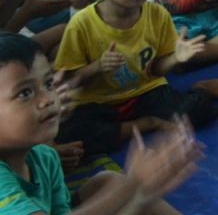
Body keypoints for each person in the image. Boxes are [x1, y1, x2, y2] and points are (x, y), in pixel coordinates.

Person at [54, 0, 218, 156]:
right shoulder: (81, 24)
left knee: (197, 111)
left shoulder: (157, 15)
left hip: (145, 92)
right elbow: (69, 81)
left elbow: (155, 70)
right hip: (98, 102)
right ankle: (148, 124)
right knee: (70, 137)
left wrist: (176, 58)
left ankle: (200, 89)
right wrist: (98, 67)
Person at [0, 32, 204, 215]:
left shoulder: (46, 158)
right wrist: (134, 185)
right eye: (25, 93)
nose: (48, 99)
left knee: (109, 181)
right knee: (125, 189)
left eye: (48, 83)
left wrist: (140, 196)